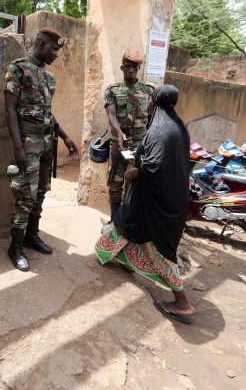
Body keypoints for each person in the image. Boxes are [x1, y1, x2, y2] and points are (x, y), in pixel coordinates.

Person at [94, 85, 196, 324]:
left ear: (154, 102)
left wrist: (133, 174)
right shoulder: (179, 126)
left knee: (158, 249)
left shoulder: (160, 130)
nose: (147, 103)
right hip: (168, 199)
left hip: (156, 204)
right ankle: (114, 255)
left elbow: (154, 167)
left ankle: (182, 303)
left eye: (150, 99)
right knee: (125, 223)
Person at [3, 28, 78, 271]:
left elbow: (47, 113)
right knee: (26, 195)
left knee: (42, 191)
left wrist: (65, 136)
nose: (56, 54)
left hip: (47, 144)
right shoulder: (17, 69)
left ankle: (31, 235)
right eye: (54, 49)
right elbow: (9, 110)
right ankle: (15, 247)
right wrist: (18, 148)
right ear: (41, 43)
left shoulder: (49, 78)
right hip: (28, 144)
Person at [104, 48, 154, 217]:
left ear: (138, 69)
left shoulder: (149, 91)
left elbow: (153, 118)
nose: (131, 70)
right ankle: (114, 221)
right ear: (122, 68)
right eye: (127, 66)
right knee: (115, 183)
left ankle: (126, 222)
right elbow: (111, 114)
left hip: (139, 147)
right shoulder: (112, 90)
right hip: (119, 145)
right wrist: (118, 132)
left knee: (133, 184)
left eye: (134, 67)